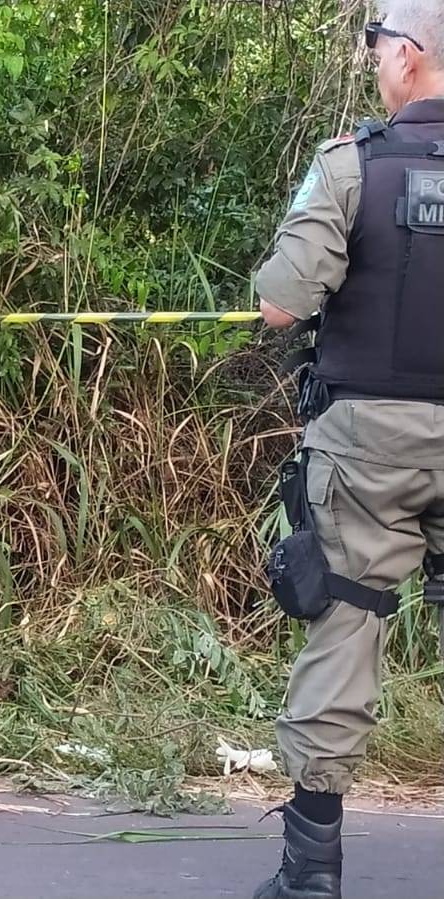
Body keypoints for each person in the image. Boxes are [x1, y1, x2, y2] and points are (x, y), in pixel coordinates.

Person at [252, 7, 444, 897]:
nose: (375, 67)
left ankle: (311, 871)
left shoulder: (353, 164)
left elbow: (284, 301)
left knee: (348, 621)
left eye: (378, 51)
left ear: (409, 57)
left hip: (371, 443)